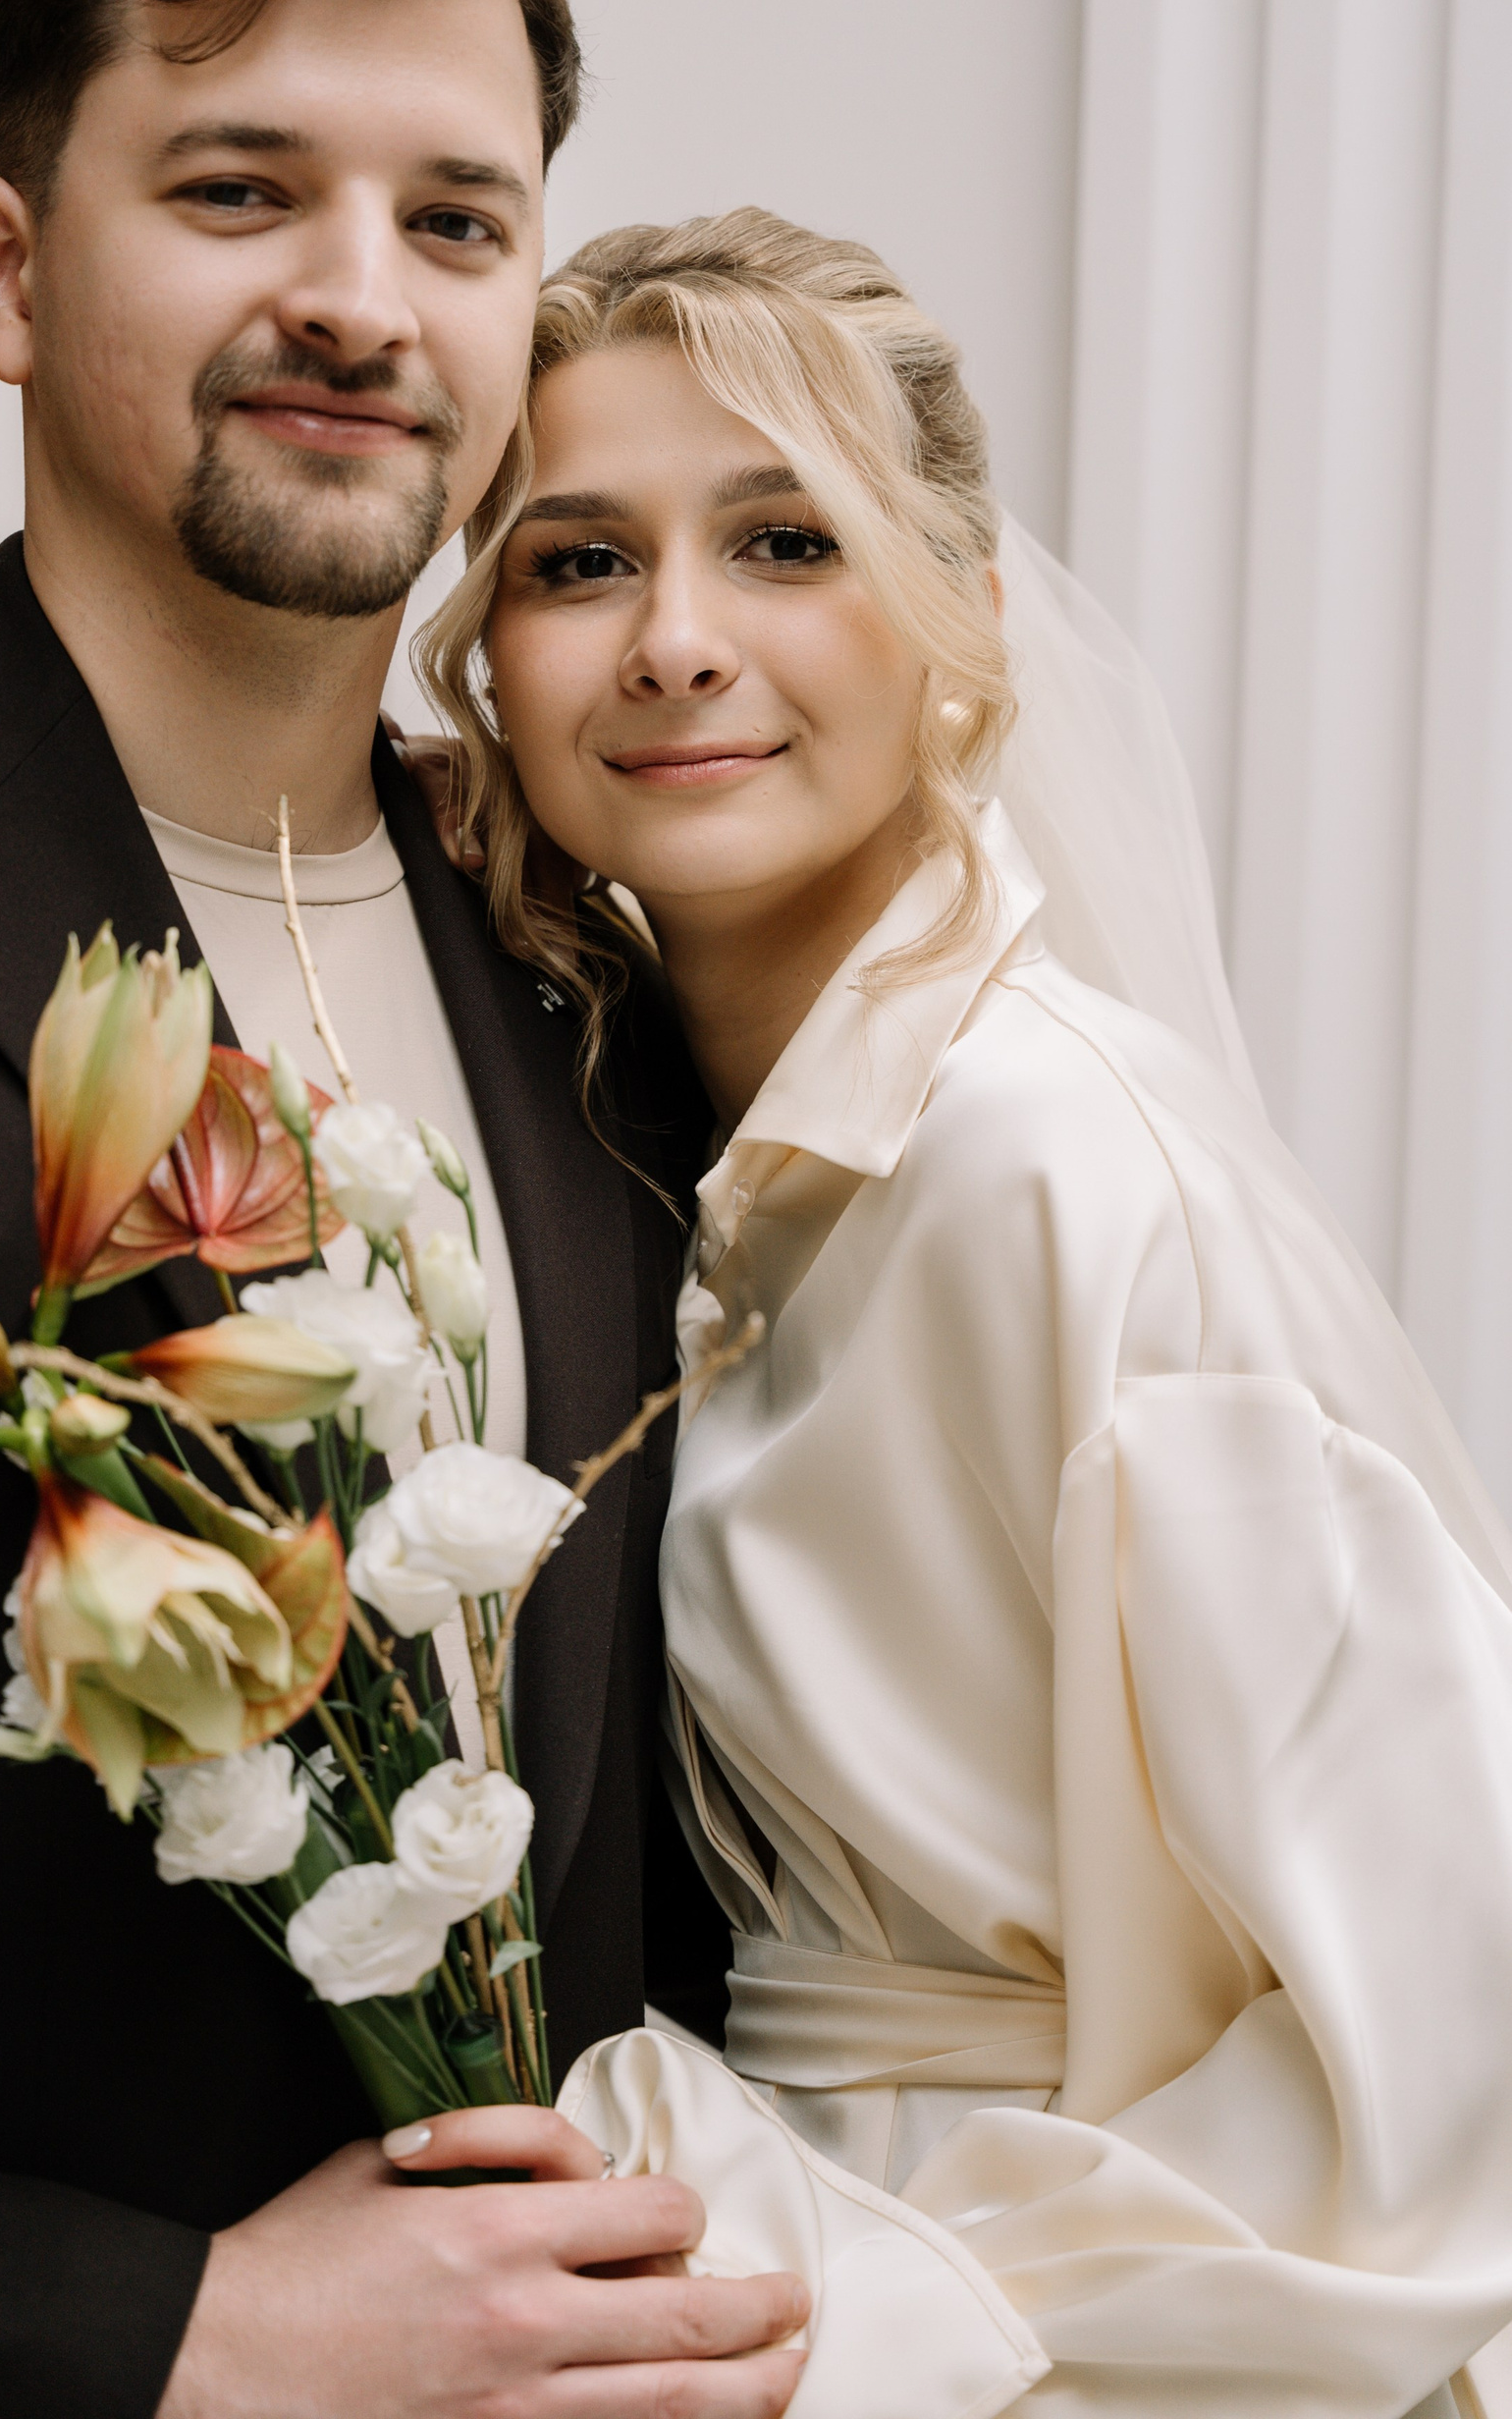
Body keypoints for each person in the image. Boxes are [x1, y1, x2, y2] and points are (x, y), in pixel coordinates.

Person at [0, 0, 808, 2416]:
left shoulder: (603, 993)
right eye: (240, 188)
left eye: (457, 222)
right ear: (5, 269)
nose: (360, 298)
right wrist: (179, 2334)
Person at [404, 206, 1512, 2416]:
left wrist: (893, 2331)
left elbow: (1458, 2011)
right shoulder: (683, 1166)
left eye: (785, 544)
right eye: (581, 561)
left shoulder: (1051, 1163)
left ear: (964, 621)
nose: (676, 642)